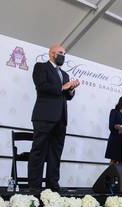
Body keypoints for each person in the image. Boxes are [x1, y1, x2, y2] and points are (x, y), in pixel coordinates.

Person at [27, 44, 80, 192]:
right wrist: (63, 87)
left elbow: (67, 97)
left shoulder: (65, 75)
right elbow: (41, 86)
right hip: (44, 116)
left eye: (64, 53)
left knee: (55, 154)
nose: (63, 55)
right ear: (51, 53)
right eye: (60, 53)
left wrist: (71, 90)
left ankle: (53, 185)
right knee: (38, 152)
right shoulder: (41, 67)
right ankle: (34, 186)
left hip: (61, 119)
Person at [105, 96, 122, 164]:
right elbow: (111, 126)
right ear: (121, 102)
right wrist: (116, 126)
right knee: (113, 160)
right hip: (115, 139)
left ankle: (118, 175)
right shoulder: (114, 111)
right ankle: (109, 174)